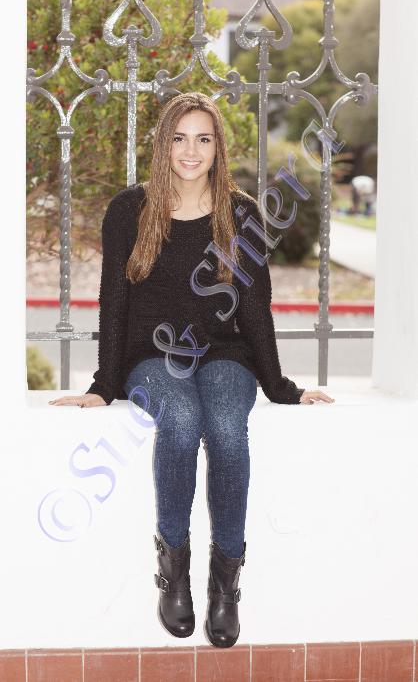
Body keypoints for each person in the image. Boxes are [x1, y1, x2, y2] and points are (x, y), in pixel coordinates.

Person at [49, 92, 334, 647]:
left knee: (226, 429)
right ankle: (173, 569)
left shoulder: (241, 213)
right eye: (180, 138)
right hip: (152, 356)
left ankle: (226, 581)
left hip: (226, 353)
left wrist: (280, 387)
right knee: (179, 422)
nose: (191, 151)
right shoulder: (128, 211)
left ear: (218, 147)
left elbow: (254, 308)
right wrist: (104, 385)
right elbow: (114, 300)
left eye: (203, 139)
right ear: (163, 144)